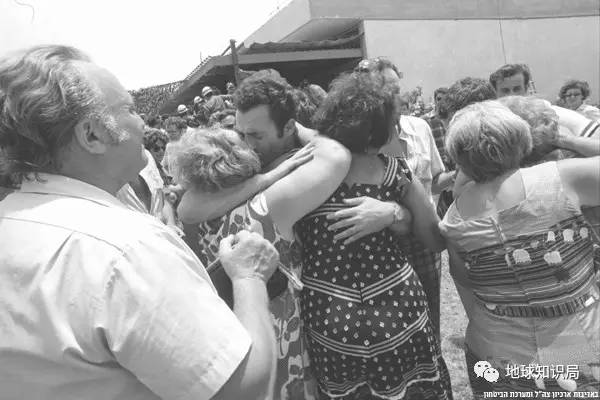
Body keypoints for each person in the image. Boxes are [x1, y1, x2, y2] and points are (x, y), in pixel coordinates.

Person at [0, 44, 280, 400]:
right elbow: (244, 387)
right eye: (129, 109)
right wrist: (249, 277)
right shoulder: (126, 249)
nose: (143, 123)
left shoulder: (13, 221)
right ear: (92, 135)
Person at [175, 70, 353, 400]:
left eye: (255, 135)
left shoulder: (199, 211)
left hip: (222, 354)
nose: (248, 144)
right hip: (276, 351)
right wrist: (290, 144)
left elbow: (187, 208)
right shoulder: (264, 208)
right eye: (241, 136)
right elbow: (337, 156)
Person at [296, 72, 453, 399]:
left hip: (329, 322)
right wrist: (398, 213)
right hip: (400, 315)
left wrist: (394, 214)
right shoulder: (396, 172)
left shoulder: (301, 171)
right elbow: (435, 240)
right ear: (378, 132)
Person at [440, 100, 600, 397]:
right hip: (570, 342)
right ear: (520, 137)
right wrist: (565, 140)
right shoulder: (559, 178)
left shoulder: (454, 216)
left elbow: (464, 281)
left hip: (492, 348)